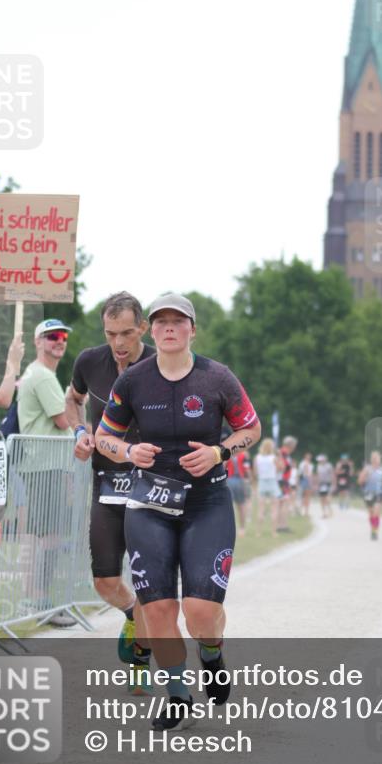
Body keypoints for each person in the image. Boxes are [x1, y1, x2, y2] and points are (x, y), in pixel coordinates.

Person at [94, 293, 261, 730]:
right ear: (150, 330)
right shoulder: (133, 381)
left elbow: (251, 428)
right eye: (161, 321)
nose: (169, 328)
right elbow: (104, 438)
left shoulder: (217, 377)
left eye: (178, 321)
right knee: (158, 609)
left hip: (206, 503)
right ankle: (177, 695)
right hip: (150, 504)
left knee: (200, 612)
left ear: (192, 329)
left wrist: (219, 452)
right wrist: (128, 451)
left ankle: (212, 652)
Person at [65, 291, 155, 678]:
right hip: (107, 484)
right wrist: (79, 432)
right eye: (110, 333)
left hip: (152, 488)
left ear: (143, 328)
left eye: (126, 333)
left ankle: (141, 663)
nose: (118, 342)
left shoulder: (160, 365)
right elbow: (73, 400)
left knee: (152, 583)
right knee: (105, 581)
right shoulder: (89, 361)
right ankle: (133, 615)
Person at [17, 318, 75, 627]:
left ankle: (34, 599)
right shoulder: (41, 375)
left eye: (63, 336)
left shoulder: (39, 373)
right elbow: (63, 420)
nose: (59, 340)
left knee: (40, 534)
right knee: (49, 536)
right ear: (38, 341)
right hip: (46, 464)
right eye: (52, 336)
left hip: (43, 464)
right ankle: (41, 602)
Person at [358, 450, 382, 540]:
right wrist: (364, 478)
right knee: (371, 513)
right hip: (368, 493)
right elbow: (360, 481)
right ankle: (373, 529)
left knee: (376, 511)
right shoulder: (367, 469)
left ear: (380, 459)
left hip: (379, 493)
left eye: (377, 458)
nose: (375, 460)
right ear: (371, 459)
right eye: (374, 458)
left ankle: (375, 531)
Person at [254, 438, 281, 533]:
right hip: (272, 482)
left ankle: (258, 531)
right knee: (274, 508)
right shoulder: (273, 458)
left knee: (261, 509)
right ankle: (274, 532)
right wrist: (279, 456)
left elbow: (255, 472)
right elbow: (280, 468)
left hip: (262, 482)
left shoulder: (257, 458)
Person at [226, 448, 251, 535]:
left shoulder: (227, 454)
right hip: (240, 480)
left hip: (229, 480)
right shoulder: (244, 455)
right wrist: (249, 479)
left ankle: (229, 528)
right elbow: (247, 468)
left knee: (229, 507)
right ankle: (242, 528)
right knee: (241, 506)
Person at [276, 435, 297, 533]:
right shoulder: (283, 453)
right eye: (294, 446)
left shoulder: (285, 454)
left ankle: (281, 525)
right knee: (284, 503)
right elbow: (282, 467)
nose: (294, 448)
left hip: (283, 480)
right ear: (290, 445)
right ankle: (282, 526)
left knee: (282, 503)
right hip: (282, 480)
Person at [316, 454, 335, 519]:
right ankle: (324, 513)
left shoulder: (329, 466)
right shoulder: (318, 466)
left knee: (327, 498)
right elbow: (318, 475)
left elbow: (332, 474)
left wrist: (333, 483)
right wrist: (317, 484)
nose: (320, 461)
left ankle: (330, 510)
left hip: (327, 483)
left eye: (321, 460)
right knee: (321, 499)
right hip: (321, 484)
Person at [297, 451, 313, 516]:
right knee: (304, 496)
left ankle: (306, 511)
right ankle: (302, 510)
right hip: (304, 479)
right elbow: (304, 472)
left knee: (306, 496)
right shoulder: (303, 463)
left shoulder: (310, 464)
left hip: (306, 479)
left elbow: (310, 473)